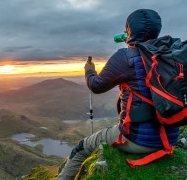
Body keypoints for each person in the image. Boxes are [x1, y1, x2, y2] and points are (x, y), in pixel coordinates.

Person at [57, 9, 179, 179]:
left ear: (130, 30)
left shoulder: (126, 57)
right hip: (171, 136)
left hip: (138, 140)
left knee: (80, 148)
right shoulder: (171, 55)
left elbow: (97, 86)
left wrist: (89, 71)